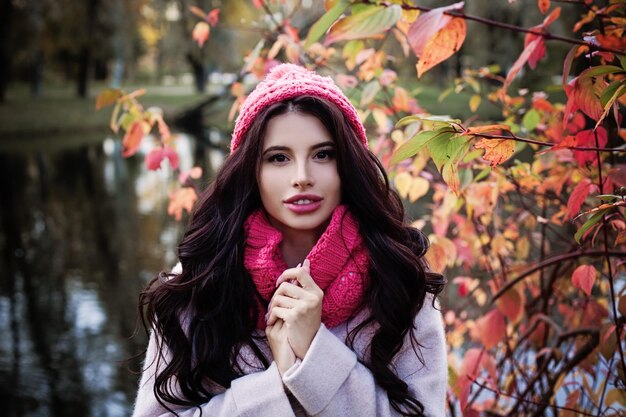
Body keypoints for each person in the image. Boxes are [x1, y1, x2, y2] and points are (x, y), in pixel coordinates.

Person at [132, 63, 447, 417]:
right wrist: (277, 388)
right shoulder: (198, 279)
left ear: (347, 165)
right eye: (279, 158)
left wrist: (315, 355)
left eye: (323, 155)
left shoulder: (399, 276)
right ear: (252, 170)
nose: (302, 177)